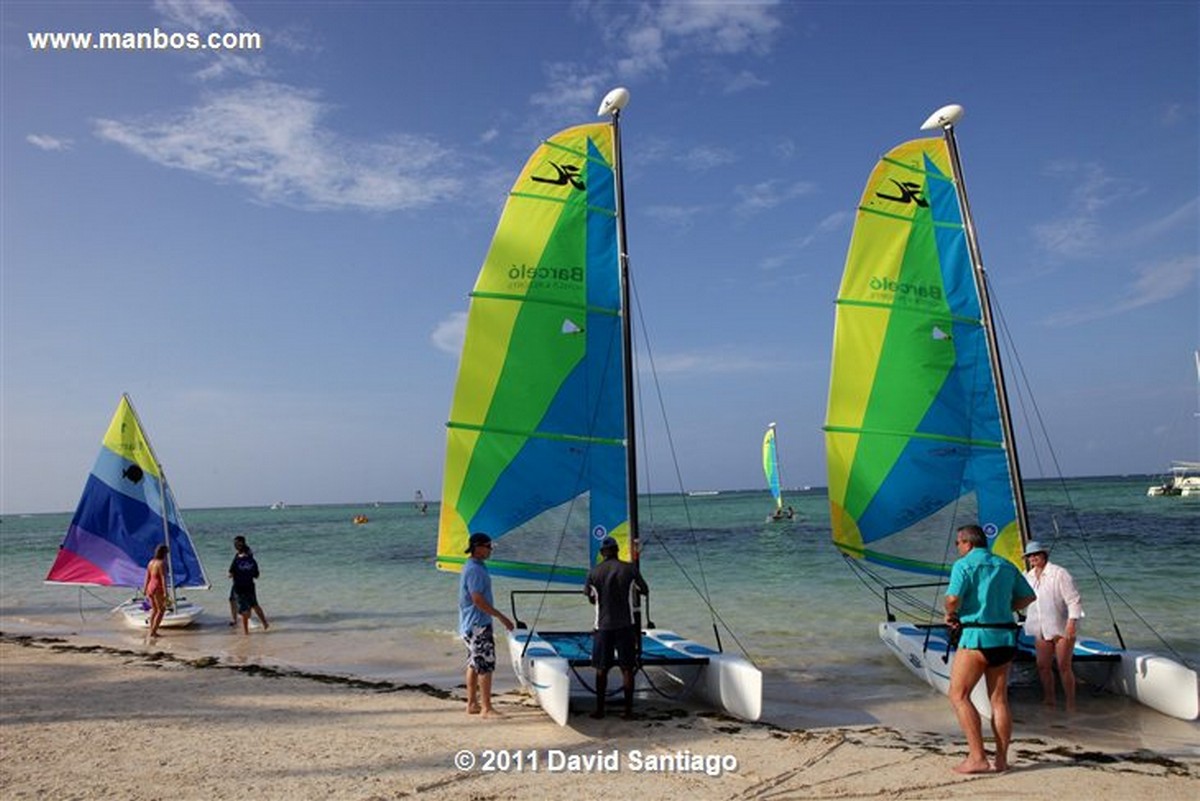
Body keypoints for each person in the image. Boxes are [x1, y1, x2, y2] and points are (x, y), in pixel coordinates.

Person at [944, 524, 1036, 774]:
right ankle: (1002, 760)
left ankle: (977, 757)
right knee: (999, 700)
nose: (957, 549)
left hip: (976, 637)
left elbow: (953, 599)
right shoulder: (1006, 565)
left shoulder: (963, 565)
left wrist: (950, 613)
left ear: (967, 543)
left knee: (958, 695)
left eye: (958, 544)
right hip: (1005, 637)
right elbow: (1028, 597)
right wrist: (1005, 607)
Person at [583, 536, 649, 720]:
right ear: (617, 550)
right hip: (625, 625)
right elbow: (645, 590)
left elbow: (590, 597)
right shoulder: (629, 569)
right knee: (627, 669)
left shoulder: (593, 572)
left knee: (601, 669)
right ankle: (628, 711)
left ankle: (599, 710)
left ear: (602, 554)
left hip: (602, 627)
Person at [1022, 540, 1083, 712]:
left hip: (1061, 626)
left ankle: (1071, 702)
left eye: (1036, 554)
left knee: (1064, 666)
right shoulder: (1027, 576)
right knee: (1042, 665)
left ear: (1044, 555)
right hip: (1039, 627)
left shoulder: (1059, 573)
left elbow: (1074, 600)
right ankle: (1049, 699)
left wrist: (1072, 623)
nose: (1033, 558)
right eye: (1029, 556)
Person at [459, 532, 514, 718]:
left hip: (469, 624)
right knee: (485, 665)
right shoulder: (475, 569)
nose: (490, 550)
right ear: (478, 547)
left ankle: (472, 704)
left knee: (474, 664)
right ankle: (487, 708)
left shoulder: (474, 566)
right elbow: (477, 599)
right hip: (478, 625)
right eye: (488, 546)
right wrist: (501, 616)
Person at [229, 536, 269, 634]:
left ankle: (246, 633)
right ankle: (265, 624)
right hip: (250, 586)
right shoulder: (252, 560)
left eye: (235, 544)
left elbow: (230, 573)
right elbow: (256, 575)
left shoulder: (237, 560)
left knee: (244, 610)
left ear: (238, 545)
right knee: (255, 605)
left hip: (239, 588)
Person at [143, 544, 169, 638]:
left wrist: (145, 589)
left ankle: (152, 630)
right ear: (164, 553)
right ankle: (153, 632)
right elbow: (163, 578)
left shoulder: (151, 562)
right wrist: (166, 592)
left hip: (150, 587)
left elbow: (147, 577)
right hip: (157, 587)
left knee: (154, 609)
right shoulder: (161, 563)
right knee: (161, 610)